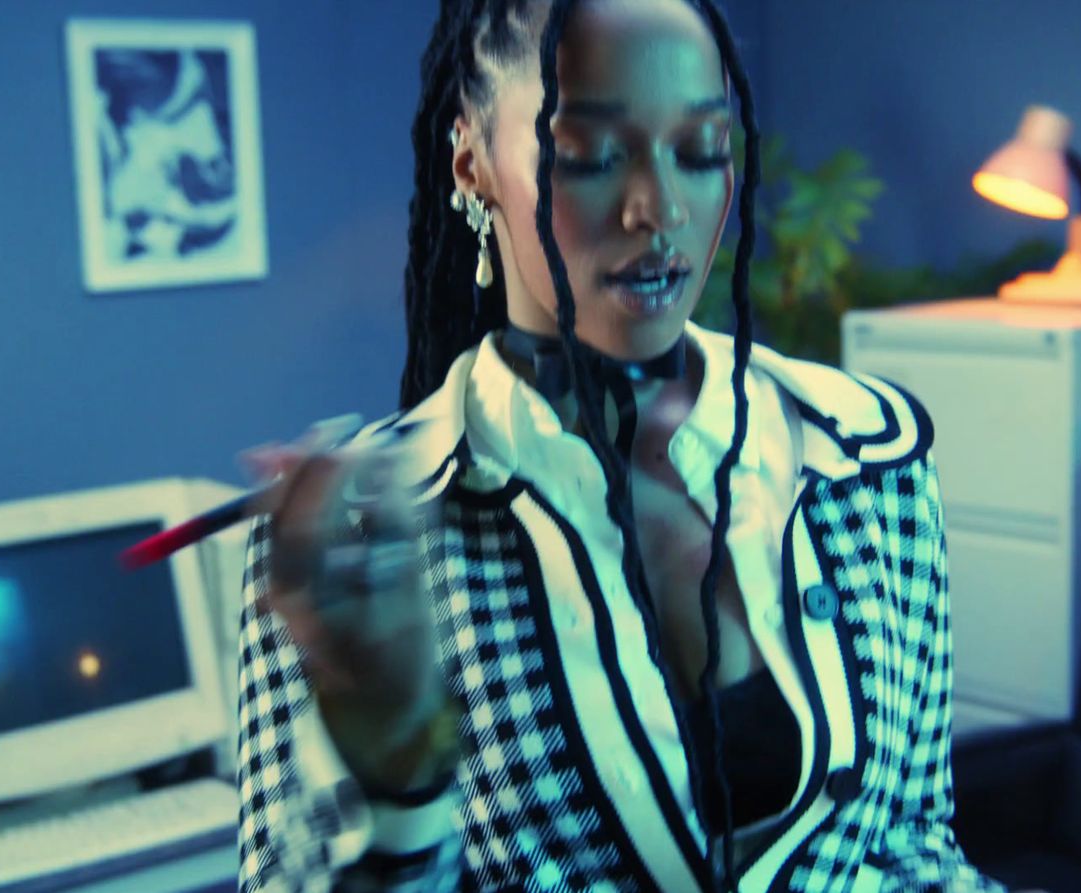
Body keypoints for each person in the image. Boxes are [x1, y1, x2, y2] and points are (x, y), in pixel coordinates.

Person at [235, 1, 1011, 890]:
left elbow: (917, 845)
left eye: (701, 150)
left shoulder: (867, 456)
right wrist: (394, 757)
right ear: (472, 160)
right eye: (591, 157)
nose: (660, 209)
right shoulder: (362, 546)